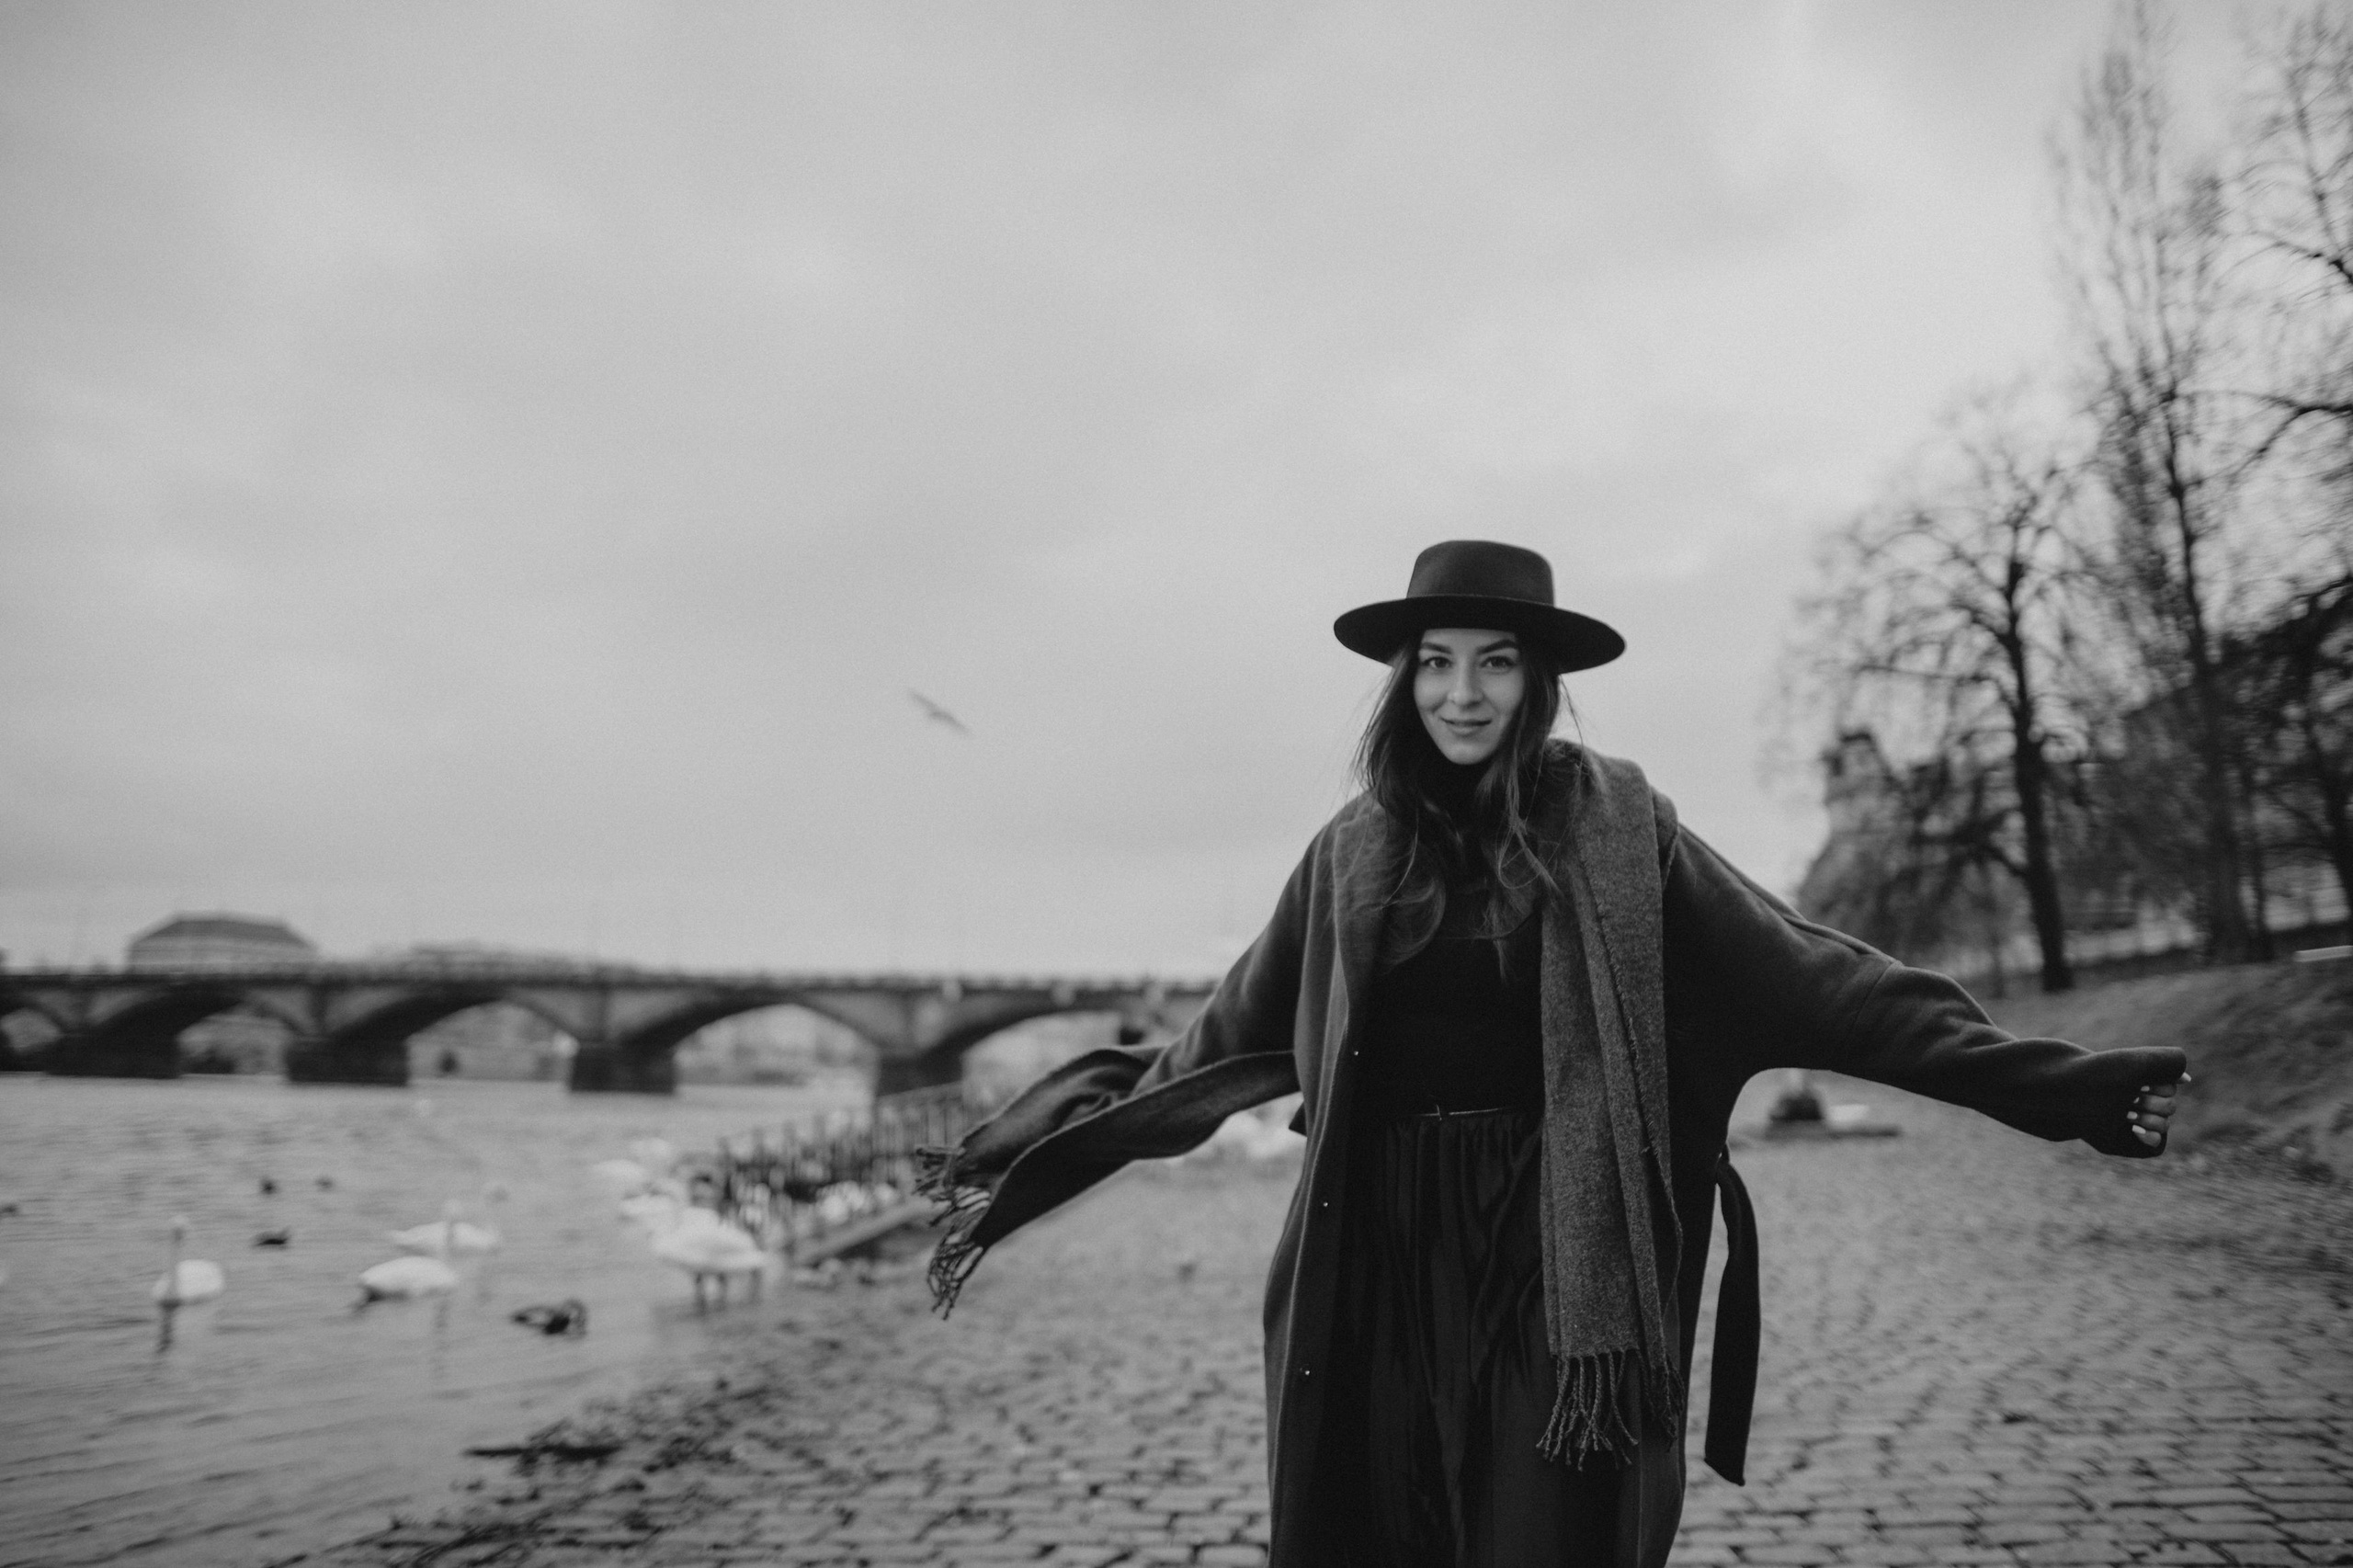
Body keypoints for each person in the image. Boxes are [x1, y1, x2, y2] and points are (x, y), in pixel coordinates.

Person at [918, 540, 2187, 1568]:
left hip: (1558, 1257)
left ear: (1538, 681)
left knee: (1541, 1536)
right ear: (1403, 681)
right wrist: (1034, 1137)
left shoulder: (1629, 836)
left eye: (1495, 663)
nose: (1462, 692)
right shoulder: (1349, 856)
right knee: (1384, 1526)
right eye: (1437, 663)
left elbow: (1832, 985)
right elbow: (1217, 1042)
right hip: (1377, 1258)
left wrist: (2059, 1085)